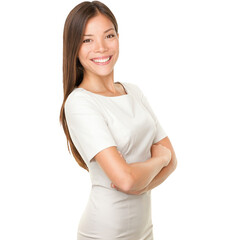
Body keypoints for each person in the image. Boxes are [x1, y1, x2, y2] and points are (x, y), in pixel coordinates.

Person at [59, 1, 177, 239]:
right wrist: (159, 158)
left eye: (109, 35)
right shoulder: (80, 102)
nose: (101, 48)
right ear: (74, 47)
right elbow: (124, 180)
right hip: (104, 232)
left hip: (144, 231)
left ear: (118, 37)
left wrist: (141, 178)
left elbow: (172, 161)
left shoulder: (133, 91)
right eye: (87, 40)